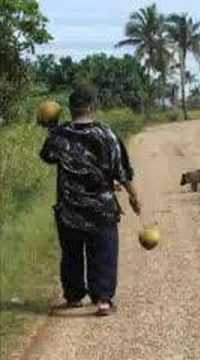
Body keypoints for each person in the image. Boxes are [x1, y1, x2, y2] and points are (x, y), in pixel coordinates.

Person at [39, 83, 142, 316]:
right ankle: (103, 300)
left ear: (70, 109)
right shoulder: (107, 134)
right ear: (93, 106)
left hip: (69, 209)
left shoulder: (60, 134)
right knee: (104, 252)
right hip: (101, 209)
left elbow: (47, 156)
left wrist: (50, 127)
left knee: (71, 254)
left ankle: (74, 297)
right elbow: (122, 171)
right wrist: (134, 196)